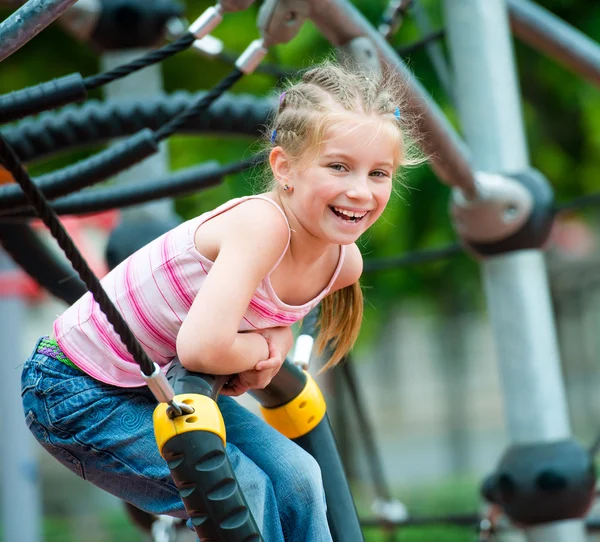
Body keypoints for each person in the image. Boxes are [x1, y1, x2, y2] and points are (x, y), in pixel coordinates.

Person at [21, 61, 418, 541]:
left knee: (299, 477)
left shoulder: (342, 264)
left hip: (155, 387)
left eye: (380, 173)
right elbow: (204, 349)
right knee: (242, 488)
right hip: (75, 390)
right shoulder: (261, 225)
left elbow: (266, 323)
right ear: (284, 167)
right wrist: (262, 351)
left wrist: (270, 341)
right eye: (338, 166)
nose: (360, 190)